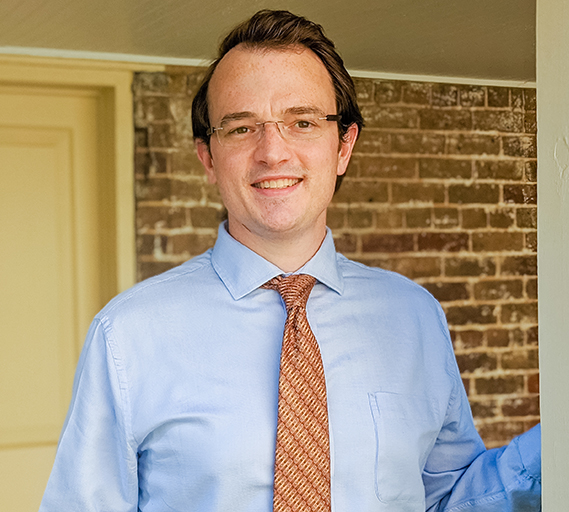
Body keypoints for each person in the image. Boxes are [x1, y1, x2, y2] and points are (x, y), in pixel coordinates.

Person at [39, 9, 541, 512]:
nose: (273, 152)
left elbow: (448, 498)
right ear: (208, 157)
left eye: (302, 122)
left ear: (343, 147)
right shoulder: (128, 335)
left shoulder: (414, 316)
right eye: (241, 128)